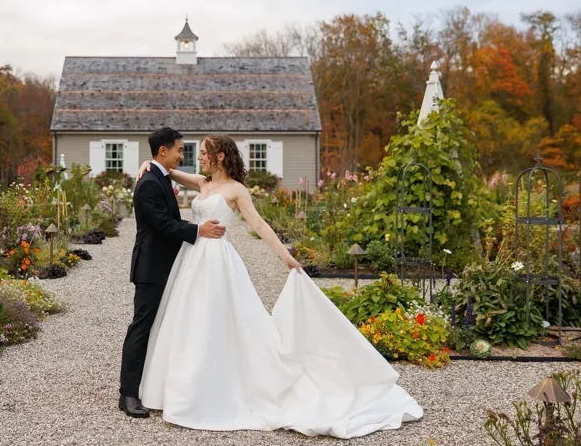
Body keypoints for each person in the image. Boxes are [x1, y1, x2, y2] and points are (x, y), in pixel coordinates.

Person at [134, 133, 424, 439]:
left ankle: (217, 390)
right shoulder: (202, 183)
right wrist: (146, 163)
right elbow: (165, 169)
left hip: (217, 262)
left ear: (220, 157)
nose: (199, 156)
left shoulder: (236, 190)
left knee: (218, 322)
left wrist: (288, 258)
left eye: (205, 152)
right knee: (187, 321)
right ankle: (182, 389)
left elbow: (259, 225)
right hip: (191, 259)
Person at [118, 127, 227, 418]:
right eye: (179, 149)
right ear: (163, 151)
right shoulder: (150, 183)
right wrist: (198, 230)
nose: (183, 154)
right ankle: (127, 394)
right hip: (151, 268)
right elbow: (163, 224)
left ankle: (149, 384)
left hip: (167, 264)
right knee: (141, 327)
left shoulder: (159, 176)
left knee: (160, 326)